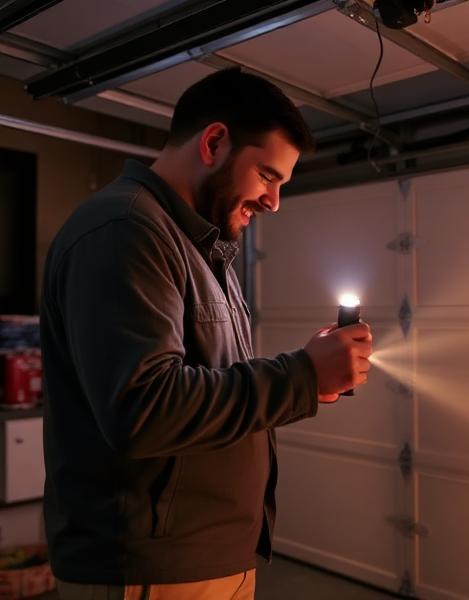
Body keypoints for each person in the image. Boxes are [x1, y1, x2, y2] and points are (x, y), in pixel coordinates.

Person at [40, 68, 372, 599]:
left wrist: (311, 376)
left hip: (203, 557)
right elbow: (144, 409)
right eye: (267, 175)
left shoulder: (196, 244)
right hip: (150, 568)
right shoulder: (125, 230)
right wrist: (301, 375)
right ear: (214, 142)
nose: (274, 201)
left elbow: (206, 379)